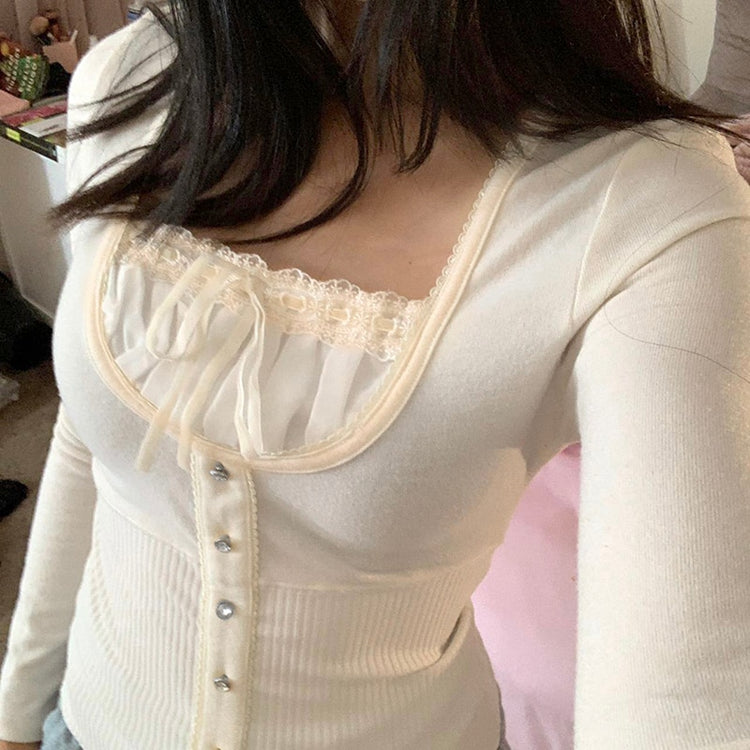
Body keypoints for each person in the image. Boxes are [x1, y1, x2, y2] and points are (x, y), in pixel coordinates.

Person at [0, 1, 749, 748]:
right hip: (84, 726)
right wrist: (18, 706)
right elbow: (93, 444)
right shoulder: (131, 77)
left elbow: (684, 697)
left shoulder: (652, 204)